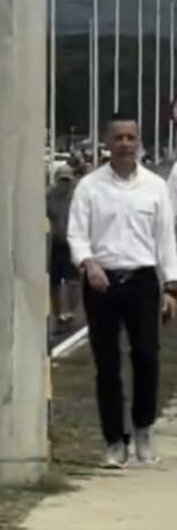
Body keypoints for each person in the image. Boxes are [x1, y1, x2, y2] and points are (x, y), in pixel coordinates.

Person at [68, 114, 177, 469]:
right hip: (102, 283)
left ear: (139, 142)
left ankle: (143, 428)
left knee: (146, 357)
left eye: (131, 138)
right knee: (107, 365)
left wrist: (171, 287)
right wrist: (88, 263)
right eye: (119, 138)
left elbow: (166, 240)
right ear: (107, 142)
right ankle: (115, 440)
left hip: (143, 281)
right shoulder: (89, 187)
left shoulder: (154, 186)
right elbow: (76, 234)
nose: (126, 144)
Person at [46, 164, 80, 333]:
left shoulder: (77, 197)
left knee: (73, 281)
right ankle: (58, 314)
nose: (64, 184)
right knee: (54, 282)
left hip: (72, 244)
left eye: (67, 180)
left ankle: (70, 313)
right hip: (55, 244)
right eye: (61, 180)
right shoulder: (49, 196)